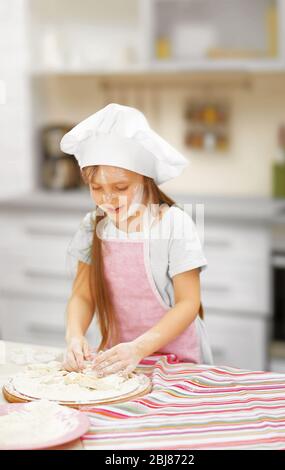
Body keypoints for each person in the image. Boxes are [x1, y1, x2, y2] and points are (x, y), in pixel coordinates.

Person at [60, 102, 214, 377]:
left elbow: (188, 303)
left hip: (178, 362)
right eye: (96, 188)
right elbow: (82, 295)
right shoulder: (92, 227)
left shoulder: (174, 224)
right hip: (119, 362)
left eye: (120, 187)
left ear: (146, 180)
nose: (108, 199)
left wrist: (140, 348)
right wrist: (74, 336)